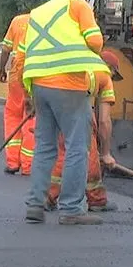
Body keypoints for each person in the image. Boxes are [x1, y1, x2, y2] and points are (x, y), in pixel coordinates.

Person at [16, 0, 111, 226]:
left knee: (45, 148)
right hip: (69, 83)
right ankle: (71, 209)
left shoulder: (38, 13)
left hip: (39, 85)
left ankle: (35, 205)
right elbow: (96, 42)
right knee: (77, 147)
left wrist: (27, 94)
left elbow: (21, 55)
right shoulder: (79, 5)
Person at [47, 49, 121, 213]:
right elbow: (104, 120)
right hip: (77, 107)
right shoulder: (104, 75)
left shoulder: (79, 62)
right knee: (90, 155)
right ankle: (97, 200)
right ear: (110, 67)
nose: (113, 80)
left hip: (55, 101)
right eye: (114, 75)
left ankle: (46, 197)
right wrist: (106, 153)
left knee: (62, 152)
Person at [0, 0, 48, 174]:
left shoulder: (18, 21)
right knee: (31, 117)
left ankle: (13, 162)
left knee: (12, 114)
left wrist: (1, 70)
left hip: (16, 73)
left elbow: (5, 49)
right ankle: (28, 164)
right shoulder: (48, 22)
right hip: (37, 73)